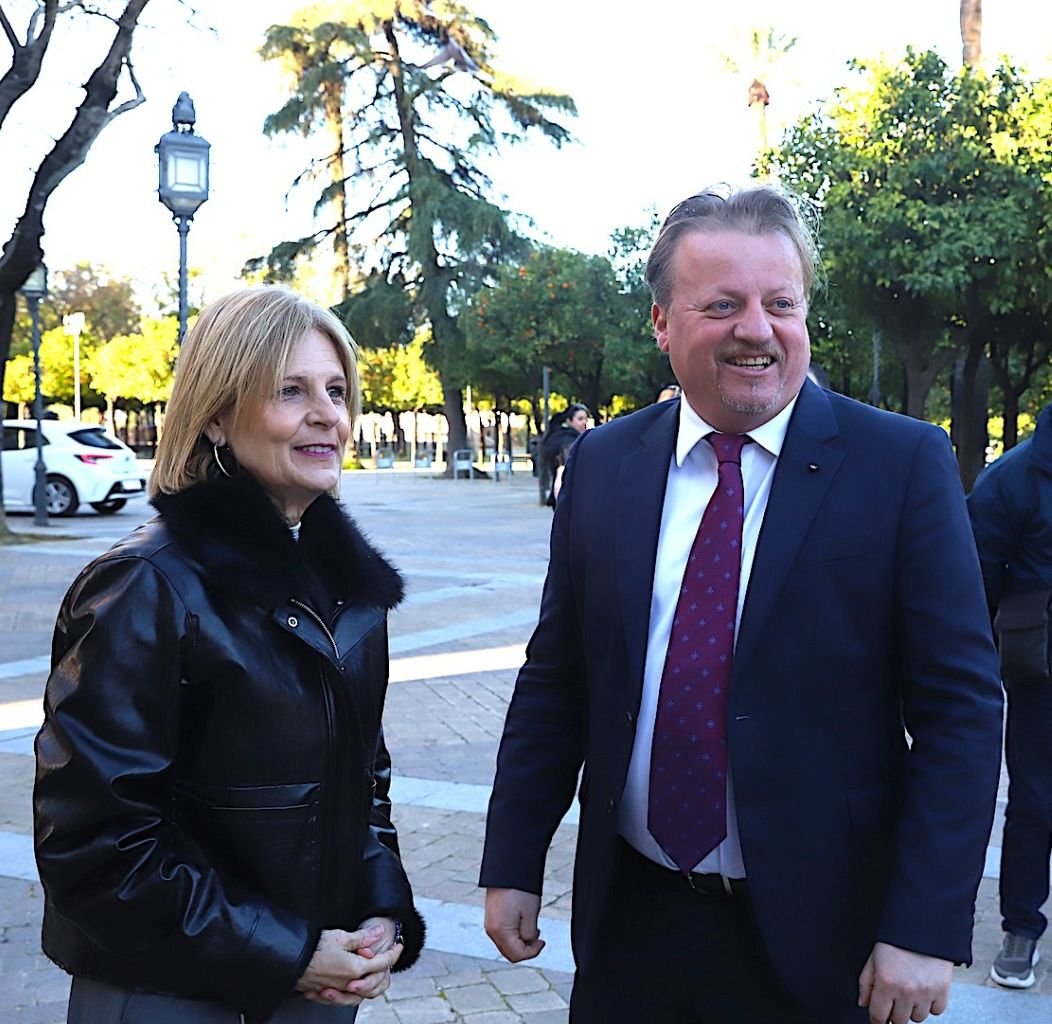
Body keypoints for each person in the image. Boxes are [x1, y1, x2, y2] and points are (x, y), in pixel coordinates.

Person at [479, 185, 1004, 1024]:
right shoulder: (606, 464)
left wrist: (926, 924)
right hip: (634, 924)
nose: (756, 329)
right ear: (662, 322)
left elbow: (962, 712)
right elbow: (558, 679)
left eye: (780, 304)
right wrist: (513, 858)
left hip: (828, 941)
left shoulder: (900, 463)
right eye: (722, 305)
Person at [33, 286, 425, 1023]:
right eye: (290, 390)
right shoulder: (144, 585)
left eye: (337, 391)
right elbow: (95, 844)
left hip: (314, 980)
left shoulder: (351, 593)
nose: (327, 415)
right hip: (168, 990)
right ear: (216, 415)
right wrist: (285, 953)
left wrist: (380, 906)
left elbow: (362, 780)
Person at [968, 402, 1052, 990]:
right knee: (1036, 800)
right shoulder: (1016, 477)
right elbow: (975, 575)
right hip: (1040, 667)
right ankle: (1022, 925)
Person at [539, 403, 589, 507]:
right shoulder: (568, 441)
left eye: (586, 419)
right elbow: (565, 467)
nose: (584, 422)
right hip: (570, 495)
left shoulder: (561, 437)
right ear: (569, 421)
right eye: (580, 419)